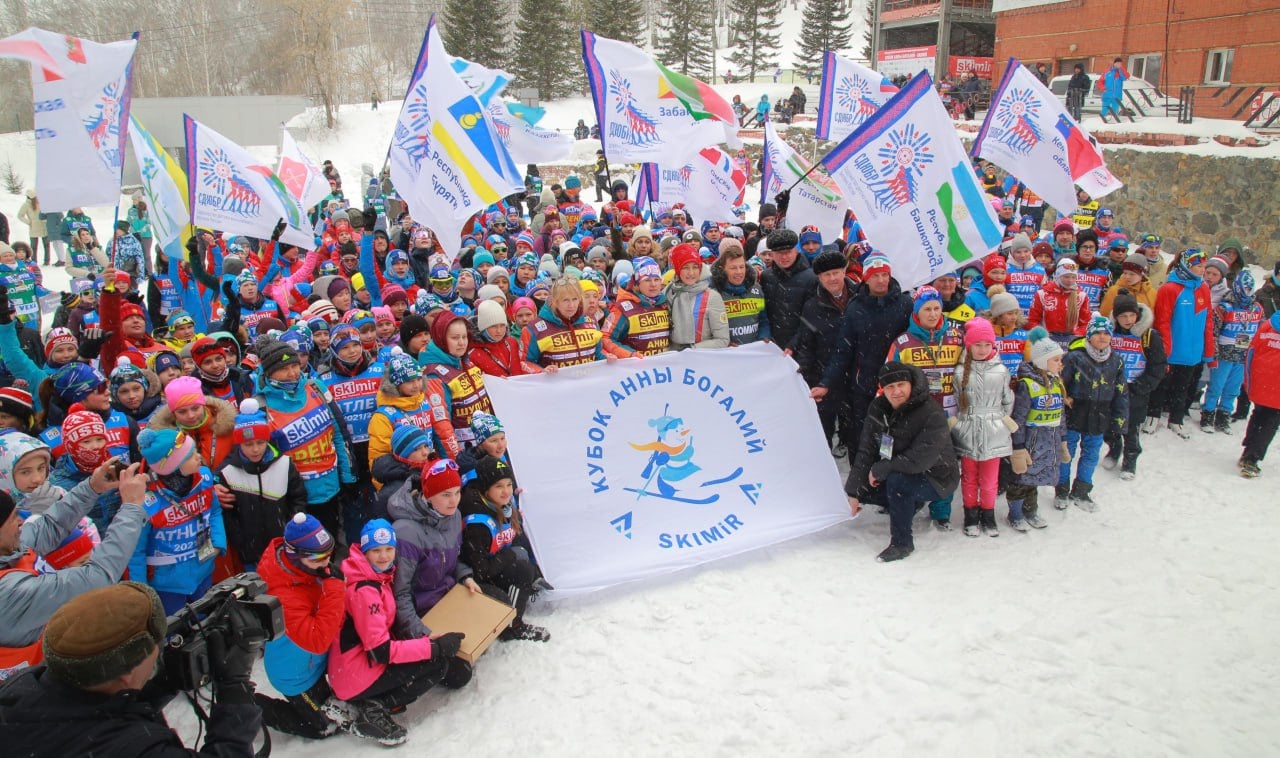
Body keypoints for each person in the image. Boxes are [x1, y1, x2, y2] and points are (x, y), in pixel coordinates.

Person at [0, 581, 264, 755]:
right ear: (127, 672)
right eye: (156, 646)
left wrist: (165, 681)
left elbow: (90, 711)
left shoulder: (22, 689)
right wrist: (234, 688)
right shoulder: (129, 747)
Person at [0, 459, 148, 682]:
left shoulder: (8, 548)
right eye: (13, 520)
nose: (21, 522)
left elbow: (49, 526)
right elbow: (98, 577)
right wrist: (132, 508)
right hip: (23, 697)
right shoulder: (9, 594)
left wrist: (92, 487)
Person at [327, 519, 466, 746]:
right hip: (355, 674)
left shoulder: (373, 576)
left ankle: (371, 701)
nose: (384, 556)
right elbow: (381, 651)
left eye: (389, 549)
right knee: (436, 664)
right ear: (364, 551)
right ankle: (373, 707)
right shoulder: (365, 590)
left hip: (355, 667)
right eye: (376, 550)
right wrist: (434, 648)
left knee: (430, 656)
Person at [845, 362, 959, 562]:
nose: (896, 391)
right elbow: (866, 450)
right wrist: (853, 493)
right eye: (890, 387)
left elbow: (920, 460)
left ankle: (902, 543)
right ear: (883, 389)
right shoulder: (878, 408)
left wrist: (884, 467)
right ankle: (910, 504)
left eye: (901, 385)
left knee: (898, 483)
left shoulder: (931, 411)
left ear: (910, 384)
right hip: (903, 467)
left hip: (937, 477)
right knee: (868, 489)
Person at [255, 513, 355, 741]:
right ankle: (252, 707)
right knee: (323, 727)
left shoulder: (306, 570)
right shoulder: (282, 595)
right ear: (295, 556)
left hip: (314, 663)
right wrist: (335, 589)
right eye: (318, 560)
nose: (326, 565)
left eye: (328, 556)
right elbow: (317, 640)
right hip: (295, 675)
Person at [811, 254, 912, 457]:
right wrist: (826, 383)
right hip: (864, 384)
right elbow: (843, 349)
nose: (881, 280)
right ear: (866, 278)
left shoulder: (905, 303)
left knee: (894, 437)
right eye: (875, 276)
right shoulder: (856, 307)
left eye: (884, 274)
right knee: (863, 438)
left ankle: (888, 478)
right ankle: (861, 482)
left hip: (898, 383)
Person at [458, 456, 550, 640]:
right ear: (486, 488)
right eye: (499, 486)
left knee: (525, 563)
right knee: (522, 569)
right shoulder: (478, 522)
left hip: (494, 565)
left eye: (508, 484)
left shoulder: (503, 505)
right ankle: (512, 626)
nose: (506, 491)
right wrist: (510, 556)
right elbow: (481, 571)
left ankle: (513, 607)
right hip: (474, 582)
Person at [217, 399, 307, 572]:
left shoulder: (284, 463)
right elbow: (228, 514)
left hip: (284, 545)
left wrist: (292, 527)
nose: (255, 449)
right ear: (239, 444)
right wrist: (241, 541)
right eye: (248, 444)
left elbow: (298, 498)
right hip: (250, 552)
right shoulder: (228, 472)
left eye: (260, 442)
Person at [950, 317, 1015, 537]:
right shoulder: (959, 372)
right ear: (969, 345)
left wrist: (1000, 419)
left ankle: (988, 514)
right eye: (978, 345)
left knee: (990, 479)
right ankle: (970, 514)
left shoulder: (1000, 370)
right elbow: (955, 399)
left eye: (987, 344)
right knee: (969, 476)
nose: (983, 349)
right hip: (967, 428)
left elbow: (1008, 399)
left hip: (994, 430)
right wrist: (959, 421)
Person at [1055, 316, 1127, 511]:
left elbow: (1121, 392)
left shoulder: (1117, 362)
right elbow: (1060, 384)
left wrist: (1120, 419)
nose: (1102, 337)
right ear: (1089, 335)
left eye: (1106, 333)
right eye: (1097, 333)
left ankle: (1082, 490)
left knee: (1091, 454)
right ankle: (1061, 489)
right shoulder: (1074, 357)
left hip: (1100, 414)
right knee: (1066, 453)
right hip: (1074, 412)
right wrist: (1064, 400)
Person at [1006, 328, 1069, 530]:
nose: (1061, 364)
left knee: (1035, 478)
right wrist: (1018, 447)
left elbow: (1061, 416)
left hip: (1049, 440)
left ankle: (1030, 510)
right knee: (1021, 479)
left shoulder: (1056, 383)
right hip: (1030, 441)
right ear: (1043, 361)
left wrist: (1064, 441)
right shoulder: (1027, 385)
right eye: (1056, 360)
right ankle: (1015, 513)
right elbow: (1019, 418)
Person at [793, 251, 857, 447]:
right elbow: (807, 344)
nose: (832, 278)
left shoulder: (860, 297)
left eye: (836, 273)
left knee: (853, 428)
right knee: (824, 428)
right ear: (819, 278)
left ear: (844, 271)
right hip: (824, 375)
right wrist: (806, 377)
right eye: (826, 275)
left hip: (856, 373)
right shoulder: (813, 306)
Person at [1102, 291, 1167, 479]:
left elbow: (1158, 365)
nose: (1128, 319)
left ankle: (1130, 459)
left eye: (1132, 315)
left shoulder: (1149, 336)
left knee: (1130, 428)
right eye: (1123, 316)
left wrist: (1142, 386)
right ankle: (1114, 449)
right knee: (1109, 423)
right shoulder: (1109, 334)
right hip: (1112, 389)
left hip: (1135, 389)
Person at [1153, 249, 1214, 438]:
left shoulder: (1203, 288)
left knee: (1183, 387)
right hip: (1173, 349)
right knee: (1161, 385)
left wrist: (1208, 350)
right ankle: (1152, 415)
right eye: (1198, 266)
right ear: (1187, 265)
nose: (1202, 270)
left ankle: (1176, 419)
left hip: (1193, 351)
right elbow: (1162, 321)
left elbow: (1208, 321)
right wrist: (1165, 349)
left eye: (1204, 266)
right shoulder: (1169, 288)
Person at [1202, 272, 1263, 434]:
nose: (1246, 295)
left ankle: (1224, 415)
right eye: (1244, 290)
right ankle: (1208, 414)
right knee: (1216, 386)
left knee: (1233, 389)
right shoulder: (1224, 307)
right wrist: (1213, 355)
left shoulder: (1257, 308)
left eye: (1249, 290)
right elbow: (1213, 332)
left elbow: (1259, 332)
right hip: (1224, 355)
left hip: (1243, 357)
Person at [1240, 307, 1280, 477]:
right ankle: (1252, 459)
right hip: (1277, 386)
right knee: (1271, 421)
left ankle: (1248, 449)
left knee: (1258, 414)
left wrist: (1248, 380)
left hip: (1260, 380)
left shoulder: (1266, 325)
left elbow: (1250, 352)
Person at [665, 244, 729, 351]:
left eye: (695, 267)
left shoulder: (712, 297)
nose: (691, 273)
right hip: (674, 362)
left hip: (702, 361)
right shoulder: (668, 293)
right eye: (685, 267)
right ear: (677, 269)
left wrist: (691, 349)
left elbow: (722, 339)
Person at [760, 229, 815, 351]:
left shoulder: (811, 278)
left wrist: (794, 344)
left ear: (796, 250)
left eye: (788, 252)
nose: (784, 257)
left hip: (801, 348)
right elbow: (763, 311)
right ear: (772, 253)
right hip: (772, 346)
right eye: (779, 252)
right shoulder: (766, 276)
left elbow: (811, 319)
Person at [1027, 259, 1092, 349]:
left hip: (1071, 344)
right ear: (1057, 275)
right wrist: (1043, 336)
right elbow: (1032, 321)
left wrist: (1074, 336)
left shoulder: (1081, 296)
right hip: (1047, 344)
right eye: (1066, 277)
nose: (1070, 280)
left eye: (1073, 277)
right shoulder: (1042, 294)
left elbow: (1086, 324)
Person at [16, 190, 49, 266]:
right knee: (33, 246)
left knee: (46, 245)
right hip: (34, 227)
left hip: (43, 226)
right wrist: (29, 222)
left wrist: (46, 220)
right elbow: (20, 215)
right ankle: (34, 261)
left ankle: (47, 261)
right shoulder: (26, 205)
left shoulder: (41, 203)